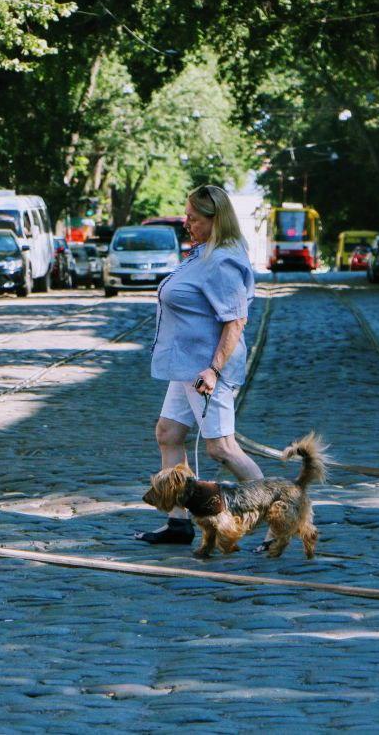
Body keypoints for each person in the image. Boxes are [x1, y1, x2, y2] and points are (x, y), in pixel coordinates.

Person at [136, 184, 262, 545]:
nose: (186, 223)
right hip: (186, 367)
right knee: (169, 434)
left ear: (215, 219)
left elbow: (235, 321)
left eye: (193, 218)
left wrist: (214, 369)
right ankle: (178, 522)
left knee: (222, 448)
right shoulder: (203, 253)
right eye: (187, 216)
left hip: (208, 371)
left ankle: (275, 510)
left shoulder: (223, 261)